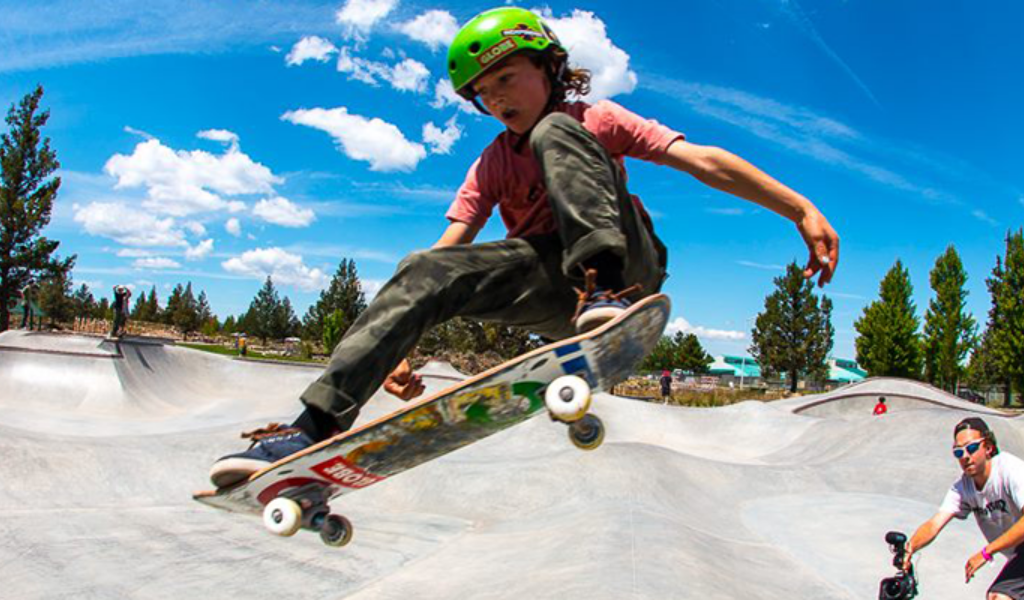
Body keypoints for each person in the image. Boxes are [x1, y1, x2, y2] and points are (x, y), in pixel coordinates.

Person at [208, 6, 840, 487]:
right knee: (422, 267)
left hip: (629, 268)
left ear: (549, 68)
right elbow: (446, 251)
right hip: (555, 292)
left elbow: (700, 160)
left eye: (508, 78)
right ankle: (310, 429)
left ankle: (605, 288)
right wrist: (401, 343)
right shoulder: (490, 164)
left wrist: (800, 209)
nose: (499, 98)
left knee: (555, 132)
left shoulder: (596, 119)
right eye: (485, 93)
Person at [902, 418, 1024, 599]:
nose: (965, 456)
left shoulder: (1010, 469)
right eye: (958, 452)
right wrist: (910, 548)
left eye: (971, 448)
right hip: (1018, 556)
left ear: (988, 447)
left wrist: (987, 552)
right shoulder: (963, 488)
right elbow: (935, 524)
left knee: (999, 596)